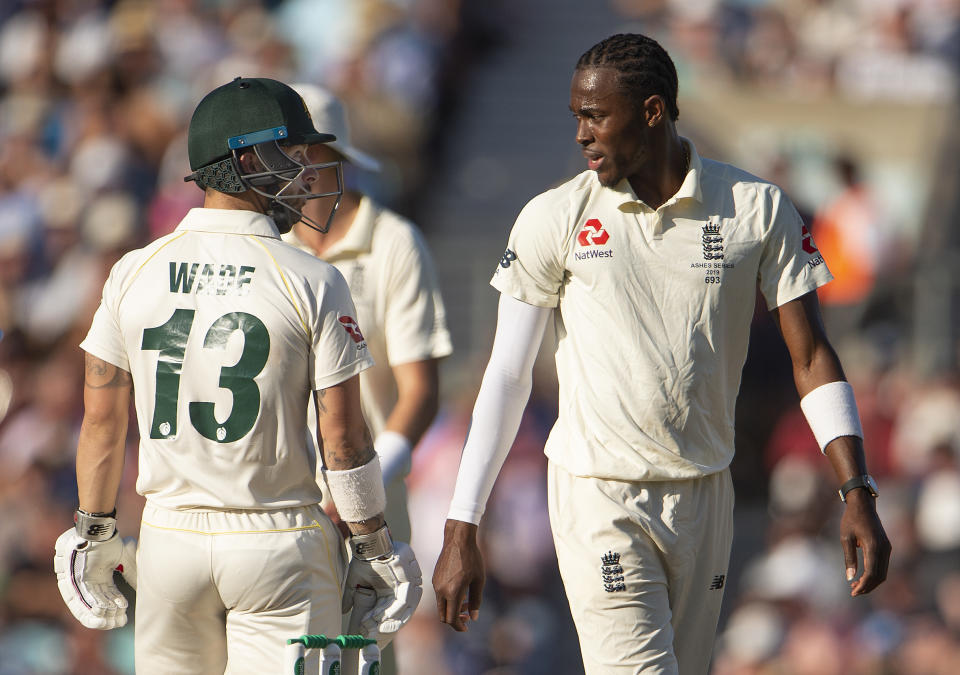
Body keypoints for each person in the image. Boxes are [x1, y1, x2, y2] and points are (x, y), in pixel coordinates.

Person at [432, 34, 891, 674]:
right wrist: (463, 522)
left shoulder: (755, 208)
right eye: (576, 118)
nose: (581, 136)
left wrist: (856, 489)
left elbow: (811, 355)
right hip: (599, 493)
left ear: (652, 112)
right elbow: (508, 374)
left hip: (706, 491)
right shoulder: (553, 217)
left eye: (596, 117)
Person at [52, 77, 422, 674]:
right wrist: (374, 543)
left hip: (169, 540)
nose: (307, 170)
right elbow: (345, 442)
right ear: (249, 158)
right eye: (294, 154)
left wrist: (93, 531)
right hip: (278, 542)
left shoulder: (132, 270)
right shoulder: (313, 278)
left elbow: (101, 419)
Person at [282, 83, 453, 674]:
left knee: (365, 661)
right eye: (286, 156)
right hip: (280, 502)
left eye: (305, 154)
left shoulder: (393, 243)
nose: (295, 170)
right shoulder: (269, 246)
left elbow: (421, 393)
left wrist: (361, 489)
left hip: (369, 512)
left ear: (336, 158)